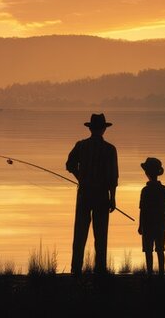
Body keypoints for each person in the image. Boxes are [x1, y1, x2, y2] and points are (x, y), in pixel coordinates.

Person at [66, 113, 118, 275]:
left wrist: (80, 177)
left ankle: (76, 270)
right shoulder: (110, 149)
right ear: (103, 129)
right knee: (101, 235)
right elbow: (113, 177)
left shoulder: (81, 146)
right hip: (102, 196)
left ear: (90, 129)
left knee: (80, 234)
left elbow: (69, 165)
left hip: (84, 195)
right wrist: (113, 198)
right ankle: (100, 270)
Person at [138, 157, 165, 276]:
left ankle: (150, 273)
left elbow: (142, 210)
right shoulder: (163, 189)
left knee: (149, 250)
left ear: (147, 173)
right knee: (160, 250)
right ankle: (161, 274)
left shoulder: (145, 191)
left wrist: (140, 226)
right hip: (159, 224)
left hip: (148, 225)